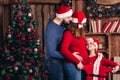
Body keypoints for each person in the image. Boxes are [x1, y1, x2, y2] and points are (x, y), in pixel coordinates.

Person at [44, 5, 73, 80]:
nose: (70, 19)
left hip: (60, 59)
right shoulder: (51, 29)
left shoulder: (61, 25)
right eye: (68, 17)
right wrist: (69, 55)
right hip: (53, 62)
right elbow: (51, 52)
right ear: (62, 17)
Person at [60, 11, 89, 80]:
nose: (83, 25)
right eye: (82, 23)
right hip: (72, 64)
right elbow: (63, 49)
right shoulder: (68, 33)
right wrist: (77, 61)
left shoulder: (80, 33)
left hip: (82, 65)